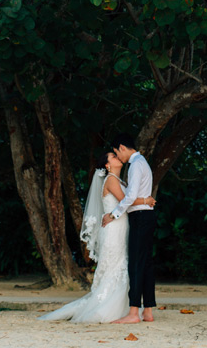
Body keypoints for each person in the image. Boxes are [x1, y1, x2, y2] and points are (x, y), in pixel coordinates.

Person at [39, 151, 155, 323]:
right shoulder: (111, 180)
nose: (117, 157)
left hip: (122, 228)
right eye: (113, 157)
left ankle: (128, 308)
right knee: (114, 266)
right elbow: (126, 201)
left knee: (122, 265)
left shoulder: (119, 180)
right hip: (113, 229)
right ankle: (109, 307)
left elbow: (126, 201)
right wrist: (146, 201)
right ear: (107, 165)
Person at [102, 133, 156, 324]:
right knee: (146, 263)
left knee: (136, 263)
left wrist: (113, 214)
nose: (118, 156)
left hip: (140, 217)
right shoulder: (142, 162)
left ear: (122, 147)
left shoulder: (135, 165)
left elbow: (130, 196)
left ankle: (134, 313)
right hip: (146, 216)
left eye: (117, 152)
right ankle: (147, 311)